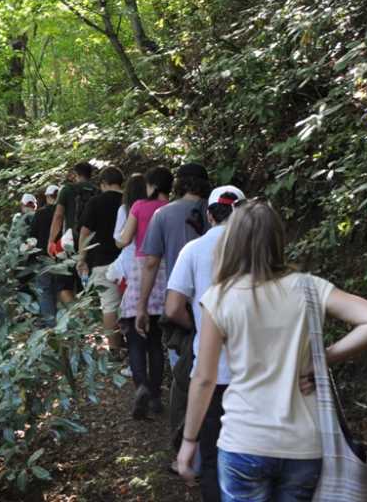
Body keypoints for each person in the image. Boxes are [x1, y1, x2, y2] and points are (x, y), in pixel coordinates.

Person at [177, 199, 367, 500]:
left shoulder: (220, 298)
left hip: (244, 440)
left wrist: (189, 440)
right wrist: (322, 358)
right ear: (278, 240)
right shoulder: (309, 287)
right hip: (303, 445)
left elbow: (204, 378)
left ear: (232, 241)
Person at [164, 185, 245, 501]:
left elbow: (173, 307)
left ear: (209, 215)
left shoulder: (194, 250)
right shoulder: (258, 251)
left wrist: (199, 327)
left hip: (212, 370)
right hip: (256, 373)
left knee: (212, 458)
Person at [136, 162, 210, 458]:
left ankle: (188, 450)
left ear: (179, 184)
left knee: (184, 377)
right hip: (218, 306)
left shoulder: (163, 215)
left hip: (178, 305)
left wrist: (142, 306)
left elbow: (151, 263)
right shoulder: (218, 212)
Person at [115, 166, 173, 418]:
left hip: (142, 269)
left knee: (135, 338)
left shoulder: (138, 206)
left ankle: (141, 388)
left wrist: (118, 239)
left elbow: (124, 239)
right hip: (166, 270)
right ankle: (156, 397)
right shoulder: (173, 208)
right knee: (156, 341)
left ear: (153, 186)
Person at [76, 166, 125, 356]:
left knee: (109, 305)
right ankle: (134, 346)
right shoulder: (129, 201)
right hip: (129, 261)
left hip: (102, 260)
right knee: (131, 303)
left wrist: (82, 258)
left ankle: (115, 350)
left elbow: (85, 233)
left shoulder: (95, 202)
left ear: (103, 183)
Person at [48, 162, 99, 301]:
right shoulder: (98, 191)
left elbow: (58, 216)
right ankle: (88, 311)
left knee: (64, 286)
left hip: (69, 243)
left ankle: (76, 312)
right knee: (87, 284)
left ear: (75, 174)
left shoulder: (67, 190)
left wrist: (51, 241)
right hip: (91, 244)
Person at [29, 185, 59, 324]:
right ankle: (65, 324)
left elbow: (32, 236)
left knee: (45, 290)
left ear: (47, 196)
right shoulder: (64, 212)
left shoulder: (40, 213)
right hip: (62, 256)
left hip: (43, 257)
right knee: (61, 290)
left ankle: (50, 325)